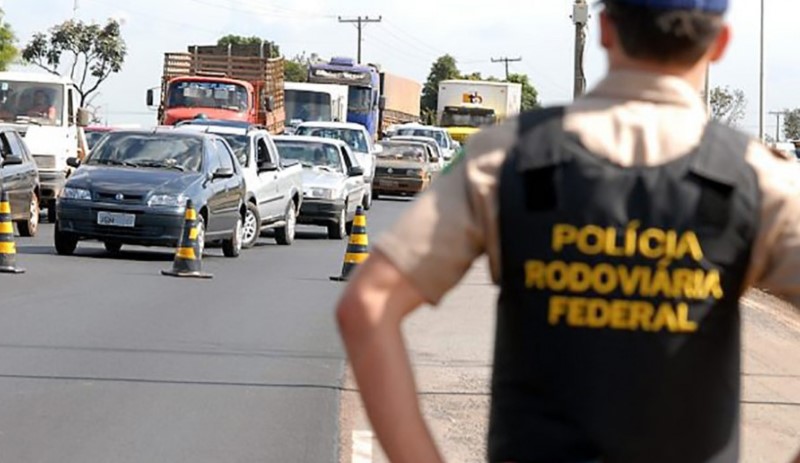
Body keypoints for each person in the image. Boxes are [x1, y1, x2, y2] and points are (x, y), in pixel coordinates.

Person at [335, 1, 800, 462]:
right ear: (719, 43)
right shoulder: (758, 179)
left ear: (605, 30)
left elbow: (367, 306)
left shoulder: (509, 156)